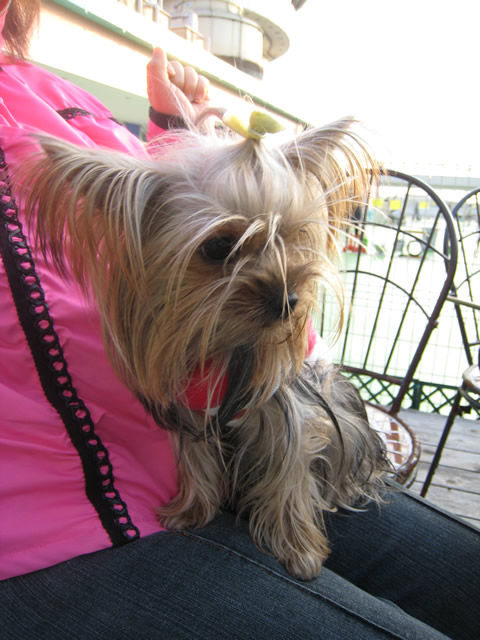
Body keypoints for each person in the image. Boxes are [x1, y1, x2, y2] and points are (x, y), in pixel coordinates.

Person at [0, 2, 478, 638]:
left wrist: (176, 131)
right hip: (57, 529)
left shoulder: (57, 92)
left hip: (238, 445)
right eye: (225, 249)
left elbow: (173, 224)